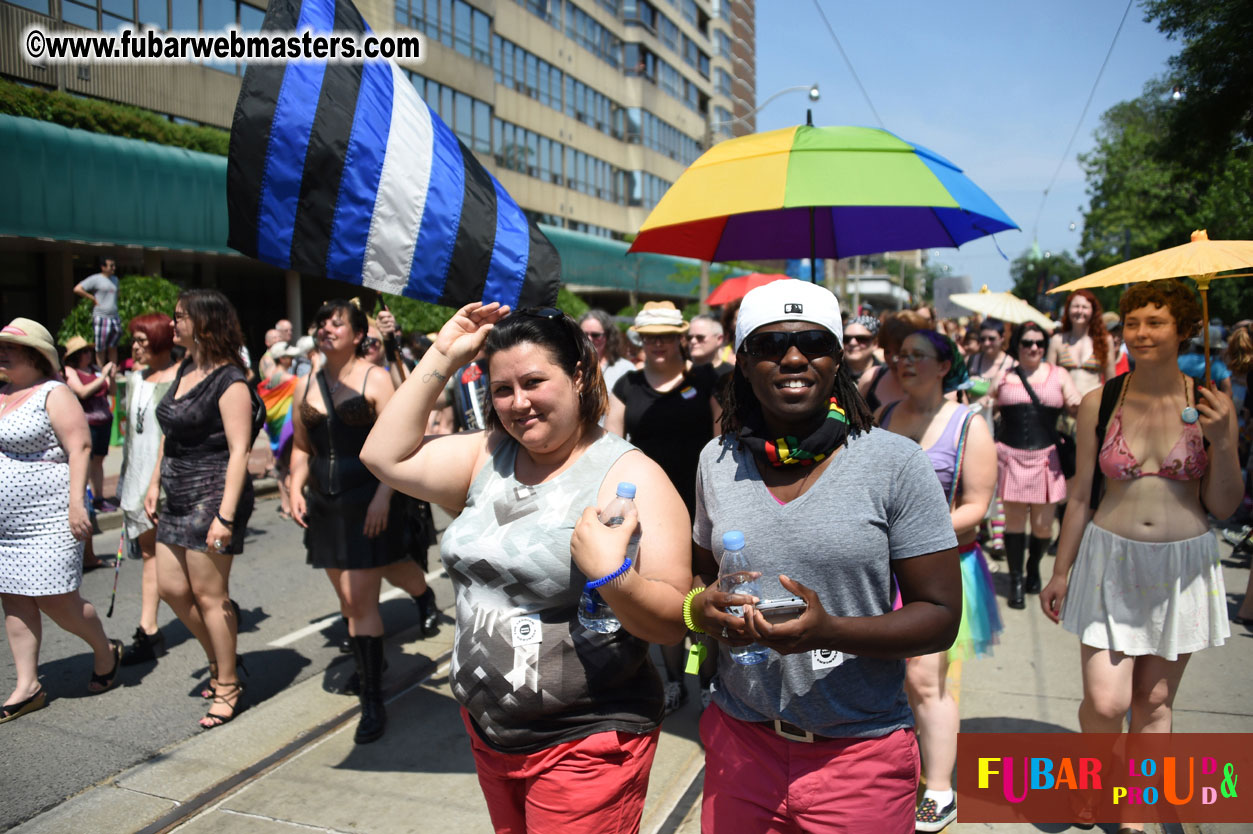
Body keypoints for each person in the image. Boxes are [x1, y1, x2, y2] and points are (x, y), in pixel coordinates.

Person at [360, 302, 691, 834]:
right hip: (490, 735)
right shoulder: (488, 454)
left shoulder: (631, 475)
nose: (519, 404)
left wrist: (613, 575)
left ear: (579, 374)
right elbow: (384, 457)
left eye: (535, 381)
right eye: (502, 390)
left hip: (585, 744)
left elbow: (676, 619)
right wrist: (442, 354)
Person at [683, 280, 962, 833]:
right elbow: (700, 578)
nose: (792, 357)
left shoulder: (895, 463)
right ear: (742, 364)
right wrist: (701, 612)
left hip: (859, 755)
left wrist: (827, 629)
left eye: (812, 342)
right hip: (742, 744)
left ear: (837, 359)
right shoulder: (716, 460)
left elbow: (940, 618)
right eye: (769, 346)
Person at [1041, 279, 1240, 834]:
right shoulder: (1099, 402)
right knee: (1106, 704)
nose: (1142, 333)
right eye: (1133, 322)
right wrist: (1060, 570)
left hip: (1182, 568)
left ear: (1184, 328)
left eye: (1156, 322)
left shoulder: (1210, 404)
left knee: (1152, 702)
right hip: (1109, 563)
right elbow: (1080, 493)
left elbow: (1223, 503)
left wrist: (1224, 441)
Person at [288, 299, 437, 744]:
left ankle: (372, 698)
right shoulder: (305, 383)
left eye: (337, 322)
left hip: (370, 499)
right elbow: (301, 446)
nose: (326, 328)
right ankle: (378, 653)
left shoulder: (377, 378)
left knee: (360, 601)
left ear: (357, 335)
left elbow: (401, 444)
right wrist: (294, 487)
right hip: (326, 505)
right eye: (321, 321)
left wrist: (382, 498)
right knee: (349, 600)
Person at [878, 329, 1000, 831]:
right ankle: (898, 767)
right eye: (901, 356)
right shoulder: (883, 416)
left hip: (942, 570)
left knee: (925, 680)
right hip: (883, 571)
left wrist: (910, 533)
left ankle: (941, 788)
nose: (905, 363)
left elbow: (976, 507)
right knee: (888, 678)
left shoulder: (969, 425)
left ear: (945, 365)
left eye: (918, 356)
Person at [0, 318, 123, 724]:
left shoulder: (54, 392)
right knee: (14, 599)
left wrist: (78, 504)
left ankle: (105, 651)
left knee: (58, 600)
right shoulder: (1, 394)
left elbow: (80, 446)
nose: (1, 355)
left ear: (36, 356)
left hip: (49, 518)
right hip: (7, 526)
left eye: (10, 349)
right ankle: (27, 685)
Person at [145, 289, 255, 730]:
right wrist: (154, 483)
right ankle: (219, 654)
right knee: (172, 588)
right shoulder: (187, 368)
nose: (173, 325)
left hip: (213, 493)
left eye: (180, 318)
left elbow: (240, 450)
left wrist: (225, 516)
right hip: (176, 491)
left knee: (211, 596)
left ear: (204, 323)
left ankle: (227, 683)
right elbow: (169, 434)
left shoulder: (231, 380)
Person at [606, 301, 722, 714]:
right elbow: (611, 448)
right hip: (653, 510)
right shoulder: (627, 387)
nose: (658, 344)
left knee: (703, 593)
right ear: (640, 339)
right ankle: (674, 681)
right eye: (650, 336)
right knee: (666, 597)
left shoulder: (707, 381)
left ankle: (708, 681)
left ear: (680, 338)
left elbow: (723, 443)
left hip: (702, 505)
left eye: (666, 336)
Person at [991, 321, 1081, 608]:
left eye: (1040, 343)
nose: (1034, 348)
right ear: (1017, 345)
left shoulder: (1059, 375)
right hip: (1010, 455)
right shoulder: (1004, 376)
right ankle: (1017, 580)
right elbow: (984, 405)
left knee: (1043, 527)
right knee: (1015, 523)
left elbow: (1076, 403)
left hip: (1047, 458)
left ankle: (1033, 568)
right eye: (1027, 342)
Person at [117, 314, 179, 665]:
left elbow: (171, 436)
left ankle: (216, 604)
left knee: (177, 560)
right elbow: (131, 437)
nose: (136, 346)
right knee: (152, 557)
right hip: (137, 480)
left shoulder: (180, 378)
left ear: (159, 340)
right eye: (134, 340)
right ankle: (149, 629)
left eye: (142, 339)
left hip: (168, 481)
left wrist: (156, 480)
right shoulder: (134, 379)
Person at [61, 336, 117, 514]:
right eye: (84, 351)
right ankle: (85, 499)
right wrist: (104, 376)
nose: (89, 354)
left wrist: (112, 377)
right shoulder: (71, 371)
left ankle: (99, 498)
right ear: (76, 355)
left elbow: (112, 391)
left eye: (89, 351)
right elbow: (83, 392)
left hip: (104, 421)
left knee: (98, 461)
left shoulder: (94, 369)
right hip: (87, 424)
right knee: (85, 460)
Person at [1047, 289, 1115, 396]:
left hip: (1094, 407)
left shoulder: (1105, 340)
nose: (1080, 311)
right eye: (1076, 306)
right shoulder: (1057, 340)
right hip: (1065, 407)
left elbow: (1111, 381)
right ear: (1068, 309)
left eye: (1085, 307)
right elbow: (1049, 380)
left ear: (1093, 310)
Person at [859, 311, 926, 413]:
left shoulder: (940, 388)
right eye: (887, 351)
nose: (893, 358)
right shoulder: (871, 378)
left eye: (900, 351)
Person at [73, 256, 122, 366]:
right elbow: (77, 289)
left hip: (114, 316)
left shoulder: (115, 280)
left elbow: (118, 294)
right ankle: (101, 371)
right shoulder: (95, 279)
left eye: (114, 265)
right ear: (103, 267)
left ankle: (113, 369)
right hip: (101, 317)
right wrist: (92, 298)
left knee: (113, 346)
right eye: (111, 266)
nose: (114, 268)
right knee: (101, 347)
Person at [579, 309, 635, 392]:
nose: (589, 339)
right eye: (584, 334)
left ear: (608, 336)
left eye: (595, 335)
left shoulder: (625, 369)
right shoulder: (570, 365)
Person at [1178, 324, 1233, 398]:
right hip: (1207, 405)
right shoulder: (1220, 367)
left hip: (1182, 402)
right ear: (1216, 348)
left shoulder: (1180, 360)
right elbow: (1228, 392)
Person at [687, 313, 732, 378]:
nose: (693, 341)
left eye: (700, 337)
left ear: (719, 339)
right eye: (689, 338)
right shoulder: (680, 375)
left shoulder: (733, 376)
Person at [842, 315, 881, 380]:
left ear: (875, 344)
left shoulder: (885, 376)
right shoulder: (832, 375)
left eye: (861, 338)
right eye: (846, 339)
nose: (852, 343)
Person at [1103, 311, 1131, 376]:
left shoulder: (1130, 362)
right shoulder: (1094, 363)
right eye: (1111, 335)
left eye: (1119, 335)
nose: (1115, 340)